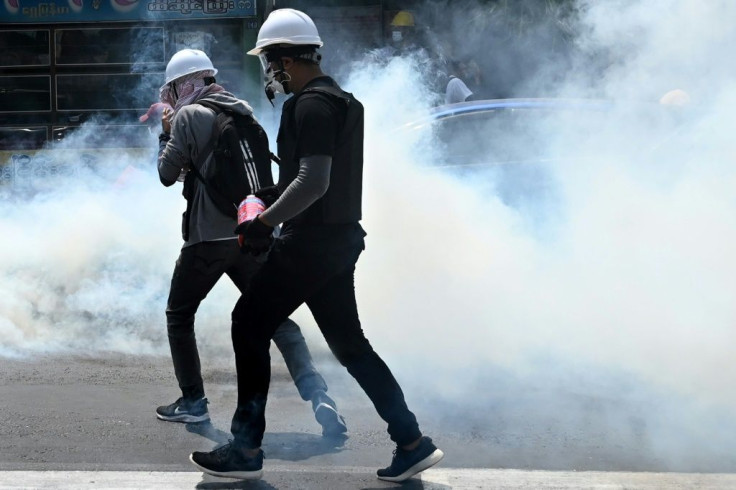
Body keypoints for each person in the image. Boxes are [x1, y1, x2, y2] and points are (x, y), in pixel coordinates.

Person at [189, 9, 444, 482]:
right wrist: (265, 198)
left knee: (248, 322)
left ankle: (245, 449)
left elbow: (314, 181)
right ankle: (411, 441)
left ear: (287, 60)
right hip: (339, 240)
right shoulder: (343, 101)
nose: (270, 73)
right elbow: (302, 179)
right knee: (350, 346)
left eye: (270, 62)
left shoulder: (308, 105)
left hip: (311, 243)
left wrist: (264, 223)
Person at [155, 48, 347, 437]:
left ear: (183, 85)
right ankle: (318, 394)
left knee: (179, 314)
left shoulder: (189, 116)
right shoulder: (241, 110)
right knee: (275, 317)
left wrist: (166, 131)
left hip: (207, 239)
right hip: (252, 230)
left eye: (174, 87)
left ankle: (192, 401)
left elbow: (165, 173)